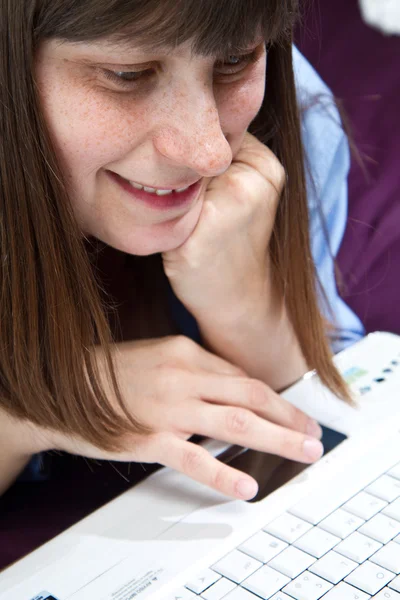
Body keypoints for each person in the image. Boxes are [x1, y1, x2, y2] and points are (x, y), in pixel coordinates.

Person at [0, 0, 364, 501]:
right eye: (127, 74)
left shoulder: (292, 119)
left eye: (235, 62)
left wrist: (245, 305)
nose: (209, 152)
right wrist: (45, 404)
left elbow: (343, 454)